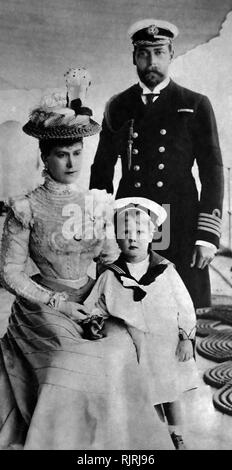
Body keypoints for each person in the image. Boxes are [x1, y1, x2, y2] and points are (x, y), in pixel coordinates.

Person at [0, 69, 173, 450]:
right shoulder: (26, 207)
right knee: (71, 359)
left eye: (78, 153)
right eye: (62, 154)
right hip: (44, 306)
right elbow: (8, 271)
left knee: (120, 347)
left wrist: (130, 284)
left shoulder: (96, 203)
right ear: (45, 157)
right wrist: (57, 302)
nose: (72, 162)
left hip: (94, 299)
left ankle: (114, 445)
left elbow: (112, 258)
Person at [89, 18, 224, 310]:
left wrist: (208, 236)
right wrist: (100, 227)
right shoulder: (118, 105)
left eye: (159, 52)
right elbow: (101, 171)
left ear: (171, 55)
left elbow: (213, 173)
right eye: (144, 53)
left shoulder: (195, 104)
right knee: (128, 308)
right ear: (134, 57)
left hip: (179, 219)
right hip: (132, 220)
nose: (152, 61)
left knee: (179, 313)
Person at [84, 197, 199, 450]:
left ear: (152, 235)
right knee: (148, 393)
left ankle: (177, 435)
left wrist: (186, 338)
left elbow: (185, 306)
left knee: (171, 394)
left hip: (166, 343)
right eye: (125, 233)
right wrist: (94, 320)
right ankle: (156, 433)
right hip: (137, 346)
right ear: (117, 237)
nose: (133, 239)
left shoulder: (165, 270)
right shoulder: (112, 275)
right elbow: (98, 304)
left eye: (139, 232)